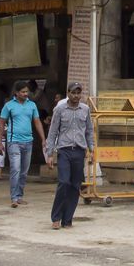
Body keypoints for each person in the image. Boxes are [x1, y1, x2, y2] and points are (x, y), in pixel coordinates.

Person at [46, 81, 94, 230]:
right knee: (64, 182)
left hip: (79, 151)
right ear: (68, 93)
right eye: (73, 92)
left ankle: (68, 219)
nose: (76, 96)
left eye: (78, 93)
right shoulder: (60, 110)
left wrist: (91, 150)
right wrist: (50, 154)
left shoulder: (85, 110)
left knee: (75, 185)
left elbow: (89, 131)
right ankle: (56, 217)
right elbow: (53, 131)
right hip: (64, 150)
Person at [0, 81, 46, 208]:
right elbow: (1, 124)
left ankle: (19, 195)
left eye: (27, 91)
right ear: (16, 93)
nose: (26, 94)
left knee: (24, 172)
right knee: (15, 169)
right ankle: (14, 197)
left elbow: (37, 122)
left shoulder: (32, 105)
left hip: (28, 141)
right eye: (23, 92)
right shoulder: (8, 106)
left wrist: (43, 139)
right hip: (13, 141)